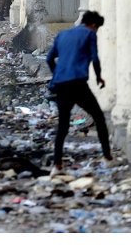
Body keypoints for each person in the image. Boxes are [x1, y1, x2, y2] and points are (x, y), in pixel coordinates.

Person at [46, 11, 112, 175]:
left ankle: (57, 165)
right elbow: (95, 58)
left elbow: (49, 59)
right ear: (94, 25)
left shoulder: (62, 34)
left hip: (61, 85)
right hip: (78, 83)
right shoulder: (90, 34)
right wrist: (98, 77)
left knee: (63, 126)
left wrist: (57, 75)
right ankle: (107, 158)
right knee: (99, 117)